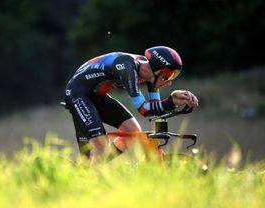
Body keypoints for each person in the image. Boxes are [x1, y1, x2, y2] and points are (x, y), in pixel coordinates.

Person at [64, 46, 199, 163]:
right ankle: (91, 182)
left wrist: (174, 99)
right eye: (168, 75)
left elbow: (155, 109)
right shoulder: (128, 68)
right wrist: (171, 101)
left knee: (133, 131)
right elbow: (144, 109)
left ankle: (95, 166)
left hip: (96, 95)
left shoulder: (149, 73)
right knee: (102, 146)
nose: (169, 82)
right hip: (78, 93)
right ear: (158, 69)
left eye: (172, 76)